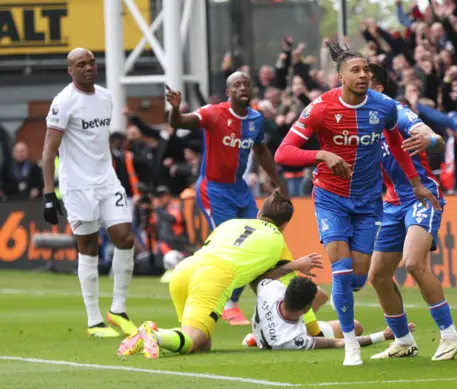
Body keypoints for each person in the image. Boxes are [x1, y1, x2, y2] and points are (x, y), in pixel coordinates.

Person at [274, 42, 439, 366]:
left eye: (366, 69)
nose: (363, 74)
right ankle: (350, 343)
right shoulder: (320, 107)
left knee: (358, 279)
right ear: (341, 77)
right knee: (342, 269)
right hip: (330, 199)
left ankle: (356, 320)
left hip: (368, 203)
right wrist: (320, 154)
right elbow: (283, 152)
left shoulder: (383, 107)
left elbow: (397, 143)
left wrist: (416, 183)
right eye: (356, 70)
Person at [117, 191, 323, 358]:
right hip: (214, 277)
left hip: (185, 268)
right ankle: (154, 334)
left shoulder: (230, 224)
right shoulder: (277, 239)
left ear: (259, 213)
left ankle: (155, 336)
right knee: (192, 340)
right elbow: (293, 291)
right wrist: (315, 332)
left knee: (202, 345)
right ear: (285, 224)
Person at [165, 72, 288, 326]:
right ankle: (226, 303)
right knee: (231, 246)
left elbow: (262, 150)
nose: (243, 87)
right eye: (237, 85)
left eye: (246, 83)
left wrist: (277, 182)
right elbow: (179, 123)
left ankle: (236, 298)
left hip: (240, 189)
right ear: (228, 91)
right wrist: (175, 109)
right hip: (213, 189)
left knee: (254, 242)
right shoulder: (213, 113)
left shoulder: (255, 119)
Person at [367, 64, 457, 361]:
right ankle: (403, 340)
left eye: (365, 82)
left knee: (413, 263)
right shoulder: (359, 122)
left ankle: (450, 337)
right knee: (378, 275)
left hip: (421, 196)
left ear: (379, 90)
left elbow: (435, 137)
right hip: (392, 203)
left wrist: (429, 140)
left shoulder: (397, 111)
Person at [42, 48, 137, 338]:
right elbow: (48, 150)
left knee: (125, 237)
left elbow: (100, 141)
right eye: (81, 65)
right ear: (70, 71)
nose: (88, 68)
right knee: (89, 247)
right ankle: (94, 320)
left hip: (107, 182)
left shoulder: (106, 97)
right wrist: (49, 194)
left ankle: (118, 310)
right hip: (78, 187)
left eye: (92, 63)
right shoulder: (63, 102)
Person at [246, 276, 414, 351]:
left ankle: (254, 336)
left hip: (277, 323)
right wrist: (383, 335)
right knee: (355, 327)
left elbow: (259, 279)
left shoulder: (270, 289)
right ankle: (255, 337)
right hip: (285, 332)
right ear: (306, 309)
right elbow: (337, 343)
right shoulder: (293, 339)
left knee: (355, 326)